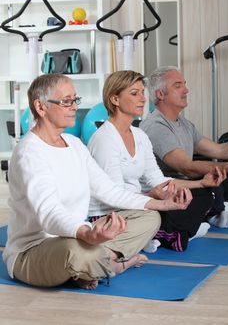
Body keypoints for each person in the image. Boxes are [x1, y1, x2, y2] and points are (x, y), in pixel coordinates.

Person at [3, 73, 192, 290]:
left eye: (75, 100)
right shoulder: (29, 153)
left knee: (149, 218)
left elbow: (108, 190)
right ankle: (114, 263)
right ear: (41, 107)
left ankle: (97, 265)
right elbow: (49, 214)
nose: (74, 106)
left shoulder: (74, 144)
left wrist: (162, 204)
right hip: (34, 250)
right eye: (66, 101)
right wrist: (88, 234)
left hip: (77, 236)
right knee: (78, 251)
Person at [88, 70, 225, 252]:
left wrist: (201, 183)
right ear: (115, 99)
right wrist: (154, 198)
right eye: (134, 93)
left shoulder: (139, 135)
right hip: (110, 213)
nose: (143, 99)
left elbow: (158, 180)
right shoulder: (105, 139)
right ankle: (170, 234)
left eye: (142, 92)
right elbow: (114, 197)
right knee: (155, 215)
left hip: (137, 204)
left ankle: (163, 235)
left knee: (204, 195)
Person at [140, 65, 228, 228]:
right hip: (168, 190)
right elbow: (186, 167)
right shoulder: (156, 126)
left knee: (223, 180)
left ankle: (214, 210)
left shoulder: (183, 123)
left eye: (184, 84)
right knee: (208, 191)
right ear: (160, 94)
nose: (186, 90)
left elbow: (219, 150)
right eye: (178, 86)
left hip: (186, 184)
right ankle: (211, 213)